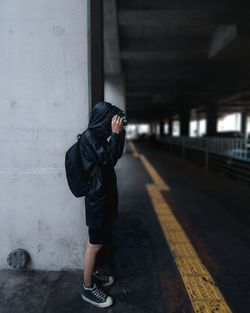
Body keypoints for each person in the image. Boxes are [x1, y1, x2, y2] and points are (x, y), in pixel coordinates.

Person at [79, 101, 126, 308]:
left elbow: (114, 156)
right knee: (94, 244)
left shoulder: (96, 137)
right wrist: (115, 134)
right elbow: (108, 158)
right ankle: (87, 288)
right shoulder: (89, 137)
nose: (113, 124)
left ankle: (94, 275)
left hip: (103, 198)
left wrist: (118, 134)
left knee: (99, 241)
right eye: (112, 120)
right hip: (96, 200)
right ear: (103, 119)